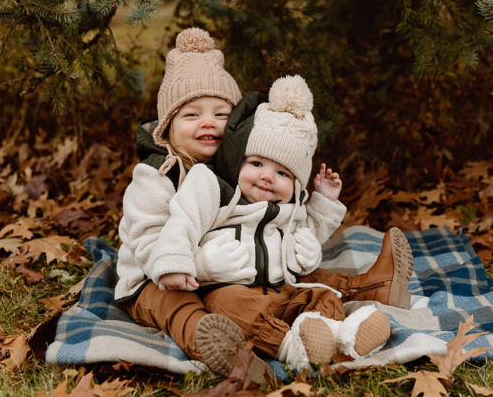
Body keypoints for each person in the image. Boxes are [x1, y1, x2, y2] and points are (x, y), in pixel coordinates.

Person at [115, 27, 413, 380]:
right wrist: (201, 265)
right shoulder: (155, 175)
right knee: (181, 305)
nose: (208, 122)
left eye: (221, 114)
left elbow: (279, 228)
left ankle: (365, 293)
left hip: (231, 274)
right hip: (155, 280)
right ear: (167, 127)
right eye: (191, 115)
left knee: (289, 274)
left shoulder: (239, 168)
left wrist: (310, 222)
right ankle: (228, 352)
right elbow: (149, 243)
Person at [156, 75, 394, 372]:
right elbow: (183, 222)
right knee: (233, 308)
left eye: (282, 173)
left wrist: (324, 203)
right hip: (232, 288)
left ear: (296, 185)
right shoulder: (220, 194)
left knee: (321, 294)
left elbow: (311, 234)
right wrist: (174, 261)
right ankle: (291, 346)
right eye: (256, 164)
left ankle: (339, 336)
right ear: (238, 163)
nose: (267, 176)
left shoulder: (290, 211)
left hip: (283, 289)